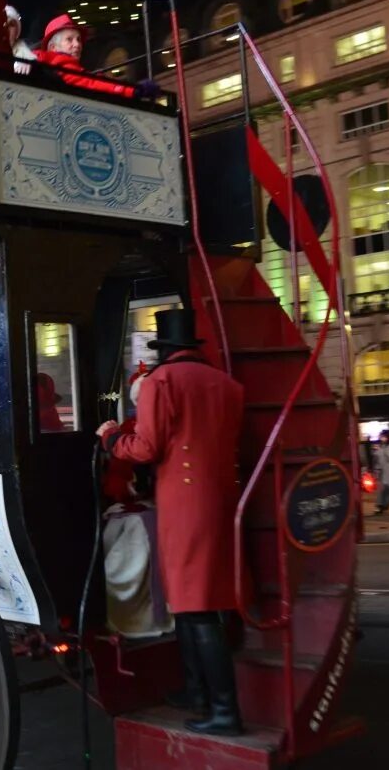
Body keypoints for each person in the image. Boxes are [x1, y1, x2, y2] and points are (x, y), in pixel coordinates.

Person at [97, 308, 245, 736]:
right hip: (219, 502)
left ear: (165, 350)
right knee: (195, 605)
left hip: (184, 507)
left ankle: (224, 709)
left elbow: (145, 448)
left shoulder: (163, 381)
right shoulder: (225, 384)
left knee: (196, 610)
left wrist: (110, 438)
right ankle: (198, 694)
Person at [35, 14, 160, 100]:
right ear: (53, 48)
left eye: (78, 39)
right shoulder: (61, 63)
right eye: (69, 40)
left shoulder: (52, 64)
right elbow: (90, 84)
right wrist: (133, 90)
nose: (77, 44)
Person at [4, 5, 34, 74]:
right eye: (3, 24)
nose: (6, 29)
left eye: (11, 24)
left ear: (17, 31)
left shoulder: (28, 55)